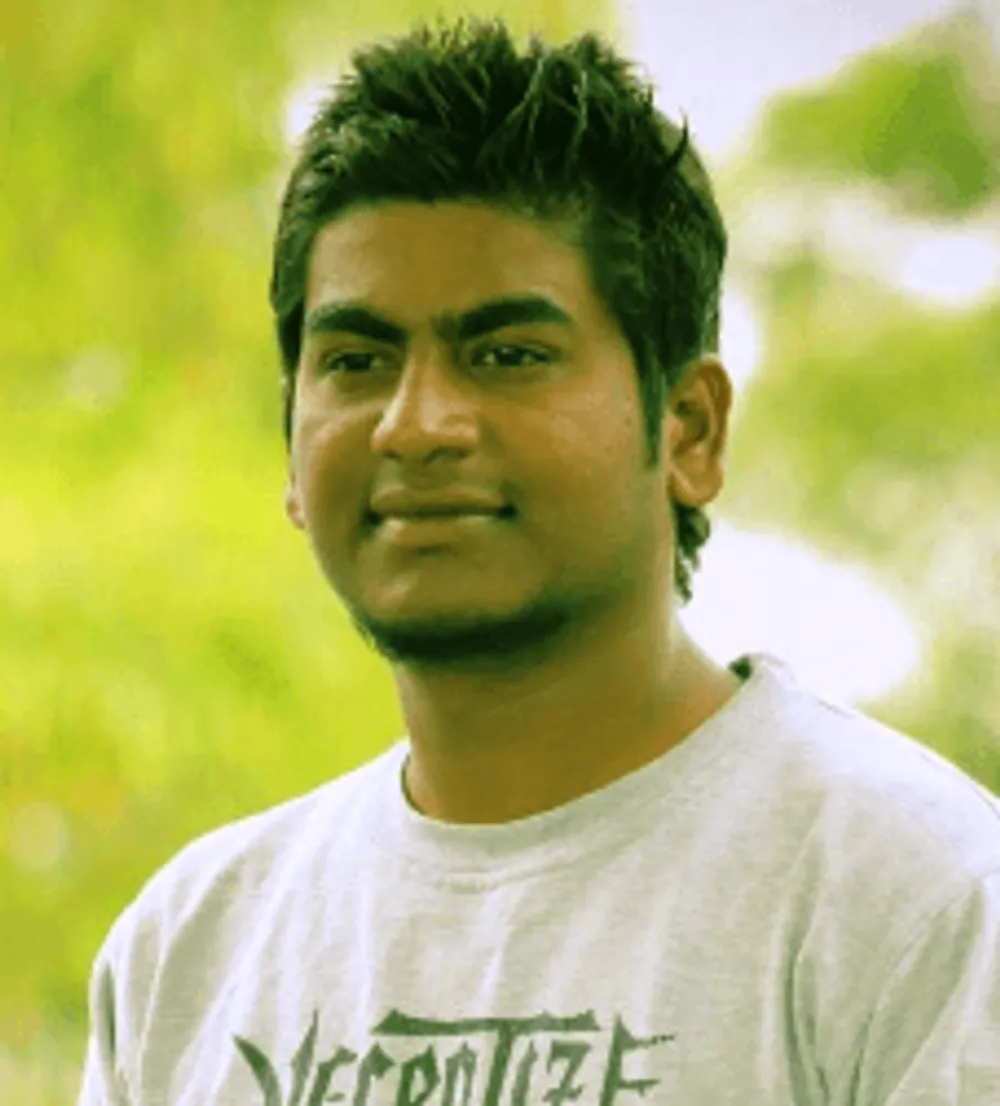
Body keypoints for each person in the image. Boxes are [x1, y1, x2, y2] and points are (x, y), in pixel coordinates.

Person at [78, 16, 1000, 1105]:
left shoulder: (911, 894)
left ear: (689, 430)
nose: (415, 424)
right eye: (358, 360)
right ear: (291, 443)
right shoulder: (190, 952)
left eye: (507, 353)